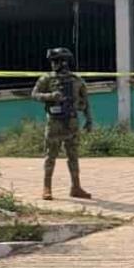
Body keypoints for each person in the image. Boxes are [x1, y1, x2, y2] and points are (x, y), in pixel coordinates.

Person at [32, 47, 93, 201]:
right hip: (54, 122)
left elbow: (85, 101)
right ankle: (47, 187)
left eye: (56, 61)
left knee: (73, 155)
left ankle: (76, 187)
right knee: (50, 155)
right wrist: (51, 96)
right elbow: (34, 94)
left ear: (64, 62)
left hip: (72, 122)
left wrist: (89, 120)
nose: (53, 64)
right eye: (52, 62)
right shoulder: (47, 79)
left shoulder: (77, 80)